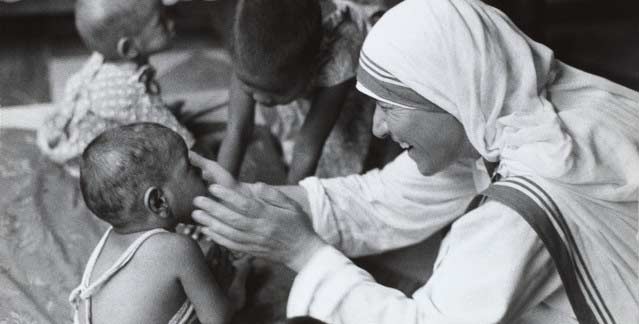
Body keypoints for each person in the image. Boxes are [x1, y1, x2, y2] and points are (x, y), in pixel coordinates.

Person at [190, 0, 639, 323]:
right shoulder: (508, 115)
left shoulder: (525, 203)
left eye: (389, 106)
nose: (378, 128)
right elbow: (385, 200)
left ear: (450, 93)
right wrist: (262, 202)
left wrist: (302, 253)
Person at [69, 123, 243, 324]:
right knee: (230, 287)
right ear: (158, 201)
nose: (202, 173)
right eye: (190, 169)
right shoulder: (179, 249)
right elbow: (218, 320)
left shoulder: (108, 243)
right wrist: (230, 285)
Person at [217, 0, 383, 184]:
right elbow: (237, 129)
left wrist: (289, 199)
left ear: (310, 69)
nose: (259, 98)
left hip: (349, 83)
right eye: (248, 85)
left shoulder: (341, 49)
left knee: (341, 153)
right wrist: (220, 190)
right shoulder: (247, 48)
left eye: (275, 92)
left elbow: (308, 147)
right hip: (290, 74)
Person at [37, 0, 193, 177]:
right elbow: (180, 138)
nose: (172, 22)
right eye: (161, 22)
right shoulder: (129, 90)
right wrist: (197, 151)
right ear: (129, 48)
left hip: (80, 125)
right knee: (154, 165)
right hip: (89, 155)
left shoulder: (106, 58)